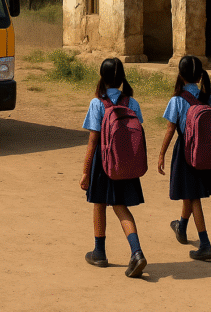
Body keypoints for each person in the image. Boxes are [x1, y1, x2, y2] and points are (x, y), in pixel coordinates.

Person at [79, 58, 148, 278]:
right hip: (125, 161)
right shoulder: (132, 103)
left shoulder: (97, 103)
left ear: (102, 76)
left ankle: (99, 252)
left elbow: (93, 141)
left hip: (103, 160)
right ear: (121, 79)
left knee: (98, 203)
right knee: (120, 206)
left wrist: (85, 172)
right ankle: (136, 252)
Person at [158, 55, 211, 261]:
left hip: (186, 151)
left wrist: (161, 154)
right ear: (200, 76)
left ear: (181, 76)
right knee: (190, 190)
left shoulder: (177, 100)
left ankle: (205, 244)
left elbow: (170, 130)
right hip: (205, 151)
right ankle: (181, 226)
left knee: (193, 196)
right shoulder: (209, 98)